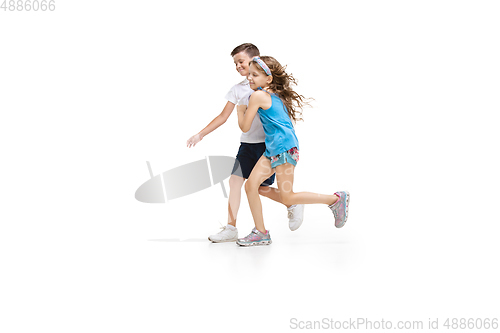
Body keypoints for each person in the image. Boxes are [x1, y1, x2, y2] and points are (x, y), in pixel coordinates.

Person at [186, 44, 305, 243]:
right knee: (235, 182)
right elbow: (223, 116)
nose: (238, 66)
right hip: (247, 146)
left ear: (256, 60)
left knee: (260, 189)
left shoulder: (267, 87)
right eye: (235, 63)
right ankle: (231, 227)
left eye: (241, 62)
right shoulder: (238, 89)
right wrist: (201, 134)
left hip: (266, 147)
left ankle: (291, 203)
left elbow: (279, 116)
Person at [235, 56, 350, 246]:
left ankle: (335, 199)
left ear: (268, 79)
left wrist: (240, 110)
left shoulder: (257, 96)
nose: (250, 78)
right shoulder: (273, 94)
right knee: (251, 186)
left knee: (287, 196)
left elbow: (245, 127)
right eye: (250, 74)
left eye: (255, 75)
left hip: (284, 149)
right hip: (275, 148)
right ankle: (261, 232)